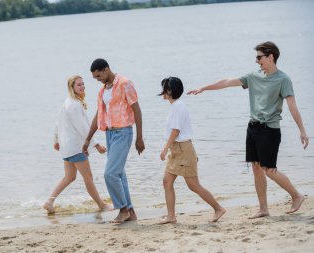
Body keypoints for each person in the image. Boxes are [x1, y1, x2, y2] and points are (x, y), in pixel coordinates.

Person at [188, 41, 309, 219]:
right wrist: (204, 88)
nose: (256, 61)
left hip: (270, 130)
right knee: (256, 168)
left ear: (271, 57)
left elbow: (292, 106)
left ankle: (297, 196)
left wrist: (302, 131)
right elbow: (227, 82)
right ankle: (263, 208)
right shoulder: (254, 76)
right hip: (252, 128)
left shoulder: (283, 79)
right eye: (256, 57)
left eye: (259, 57)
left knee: (269, 170)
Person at [83, 58, 145, 224]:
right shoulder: (103, 91)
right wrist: (88, 139)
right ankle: (130, 212)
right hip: (109, 135)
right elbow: (98, 116)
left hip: (123, 133)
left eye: (99, 76)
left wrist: (140, 137)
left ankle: (122, 209)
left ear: (106, 69)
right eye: (95, 78)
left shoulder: (125, 83)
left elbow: (137, 110)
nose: (98, 80)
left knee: (109, 173)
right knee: (119, 175)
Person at [158, 77, 226, 224]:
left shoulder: (178, 106)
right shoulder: (175, 106)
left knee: (193, 185)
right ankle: (171, 216)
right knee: (167, 181)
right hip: (177, 150)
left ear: (170, 91)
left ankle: (218, 208)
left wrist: (164, 149)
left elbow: (176, 131)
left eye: (164, 88)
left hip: (183, 150)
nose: (162, 92)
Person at [43, 75, 111, 214]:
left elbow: (58, 123)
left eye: (83, 84)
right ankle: (102, 205)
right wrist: (96, 145)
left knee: (69, 177)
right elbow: (83, 128)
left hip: (67, 148)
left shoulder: (67, 102)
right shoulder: (74, 105)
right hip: (75, 147)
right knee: (88, 178)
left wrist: (56, 141)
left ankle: (49, 201)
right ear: (71, 87)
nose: (82, 86)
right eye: (78, 85)